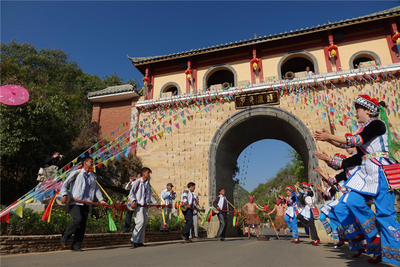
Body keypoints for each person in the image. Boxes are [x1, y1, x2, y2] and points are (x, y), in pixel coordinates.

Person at [314, 95, 400, 264]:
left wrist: (330, 137)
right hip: (369, 174)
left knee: (385, 215)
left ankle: (394, 254)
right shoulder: (366, 132)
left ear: (368, 110)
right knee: (352, 201)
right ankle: (372, 235)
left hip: (382, 172)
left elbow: (355, 141)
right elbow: (350, 157)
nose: (356, 114)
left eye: (358, 110)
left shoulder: (377, 124)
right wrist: (329, 145)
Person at [60, 157, 107, 251]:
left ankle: (76, 246)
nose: (93, 163)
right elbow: (65, 184)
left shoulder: (93, 176)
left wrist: (101, 200)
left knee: (82, 225)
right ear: (85, 163)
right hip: (75, 202)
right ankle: (65, 235)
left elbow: (96, 189)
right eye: (91, 162)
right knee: (78, 219)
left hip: (86, 203)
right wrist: (64, 195)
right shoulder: (76, 173)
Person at [129, 167, 157, 248]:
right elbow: (132, 193)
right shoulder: (137, 182)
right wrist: (134, 201)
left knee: (144, 223)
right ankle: (133, 239)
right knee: (140, 222)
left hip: (145, 206)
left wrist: (155, 203)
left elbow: (150, 195)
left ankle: (140, 241)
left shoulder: (147, 184)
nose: (149, 175)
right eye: (148, 173)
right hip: (138, 205)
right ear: (144, 173)